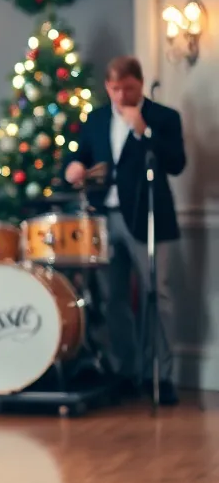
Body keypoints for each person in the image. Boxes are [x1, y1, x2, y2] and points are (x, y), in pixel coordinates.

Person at [63, 55, 186, 405]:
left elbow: (176, 163)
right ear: (107, 87)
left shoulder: (164, 117)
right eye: (115, 89)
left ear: (140, 84)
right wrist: (73, 168)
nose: (121, 96)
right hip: (104, 218)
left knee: (156, 295)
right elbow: (79, 157)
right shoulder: (97, 119)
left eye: (128, 89)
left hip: (148, 216)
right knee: (112, 296)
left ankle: (160, 375)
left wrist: (143, 130)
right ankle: (125, 371)